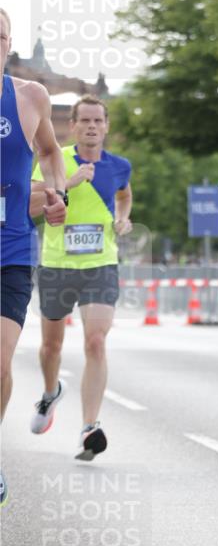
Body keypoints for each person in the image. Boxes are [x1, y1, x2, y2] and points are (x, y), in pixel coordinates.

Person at [29, 95, 132, 461]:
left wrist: (123, 217)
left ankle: (90, 426)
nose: (91, 126)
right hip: (57, 263)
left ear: (106, 126)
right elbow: (34, 208)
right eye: (84, 120)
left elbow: (123, 195)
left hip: (101, 263)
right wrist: (67, 183)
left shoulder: (119, 165)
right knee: (50, 347)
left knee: (96, 342)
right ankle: (49, 391)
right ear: (72, 125)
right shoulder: (53, 160)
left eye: (98, 121)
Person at [0, 7, 67, 506]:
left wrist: (58, 190)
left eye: (1, 38)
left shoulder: (29, 97)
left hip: (12, 249)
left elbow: (49, 151)